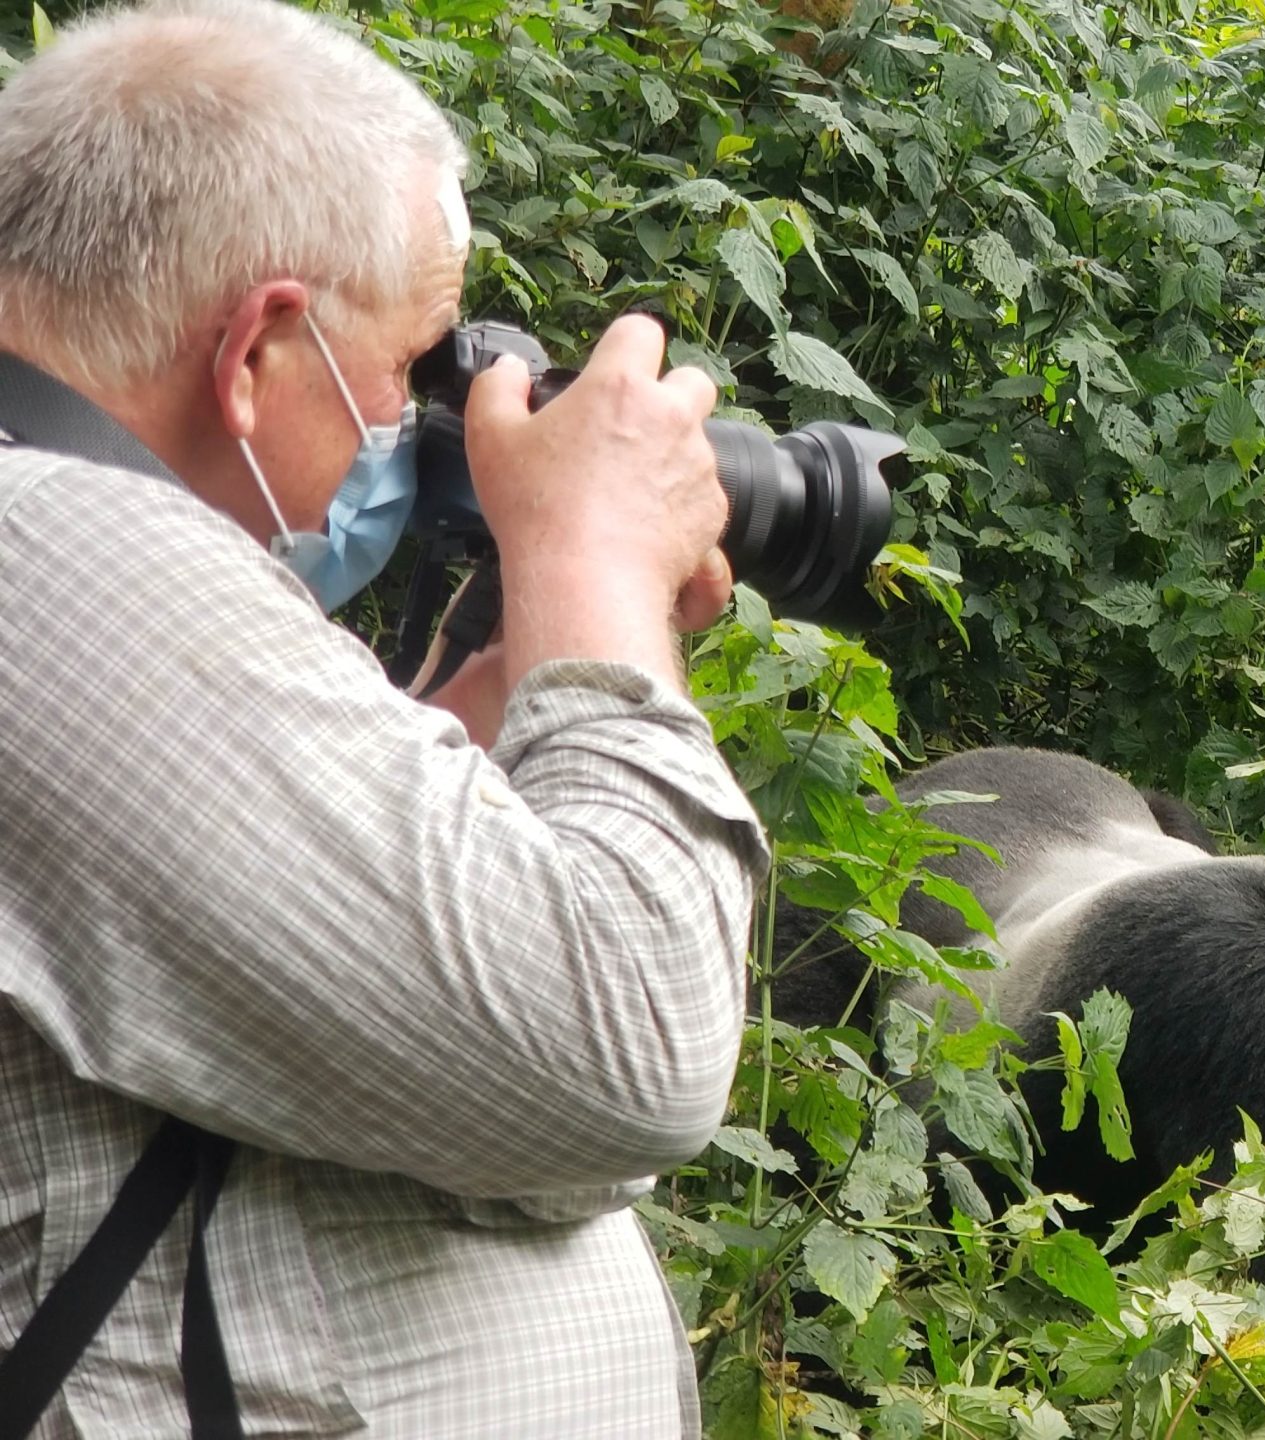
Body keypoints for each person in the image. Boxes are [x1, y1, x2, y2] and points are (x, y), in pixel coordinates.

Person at [0, 1, 768, 1434]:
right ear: (258, 353)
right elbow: (630, 1044)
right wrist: (593, 561)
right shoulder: (59, 560)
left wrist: (483, 715)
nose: (425, 428)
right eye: (419, 366)